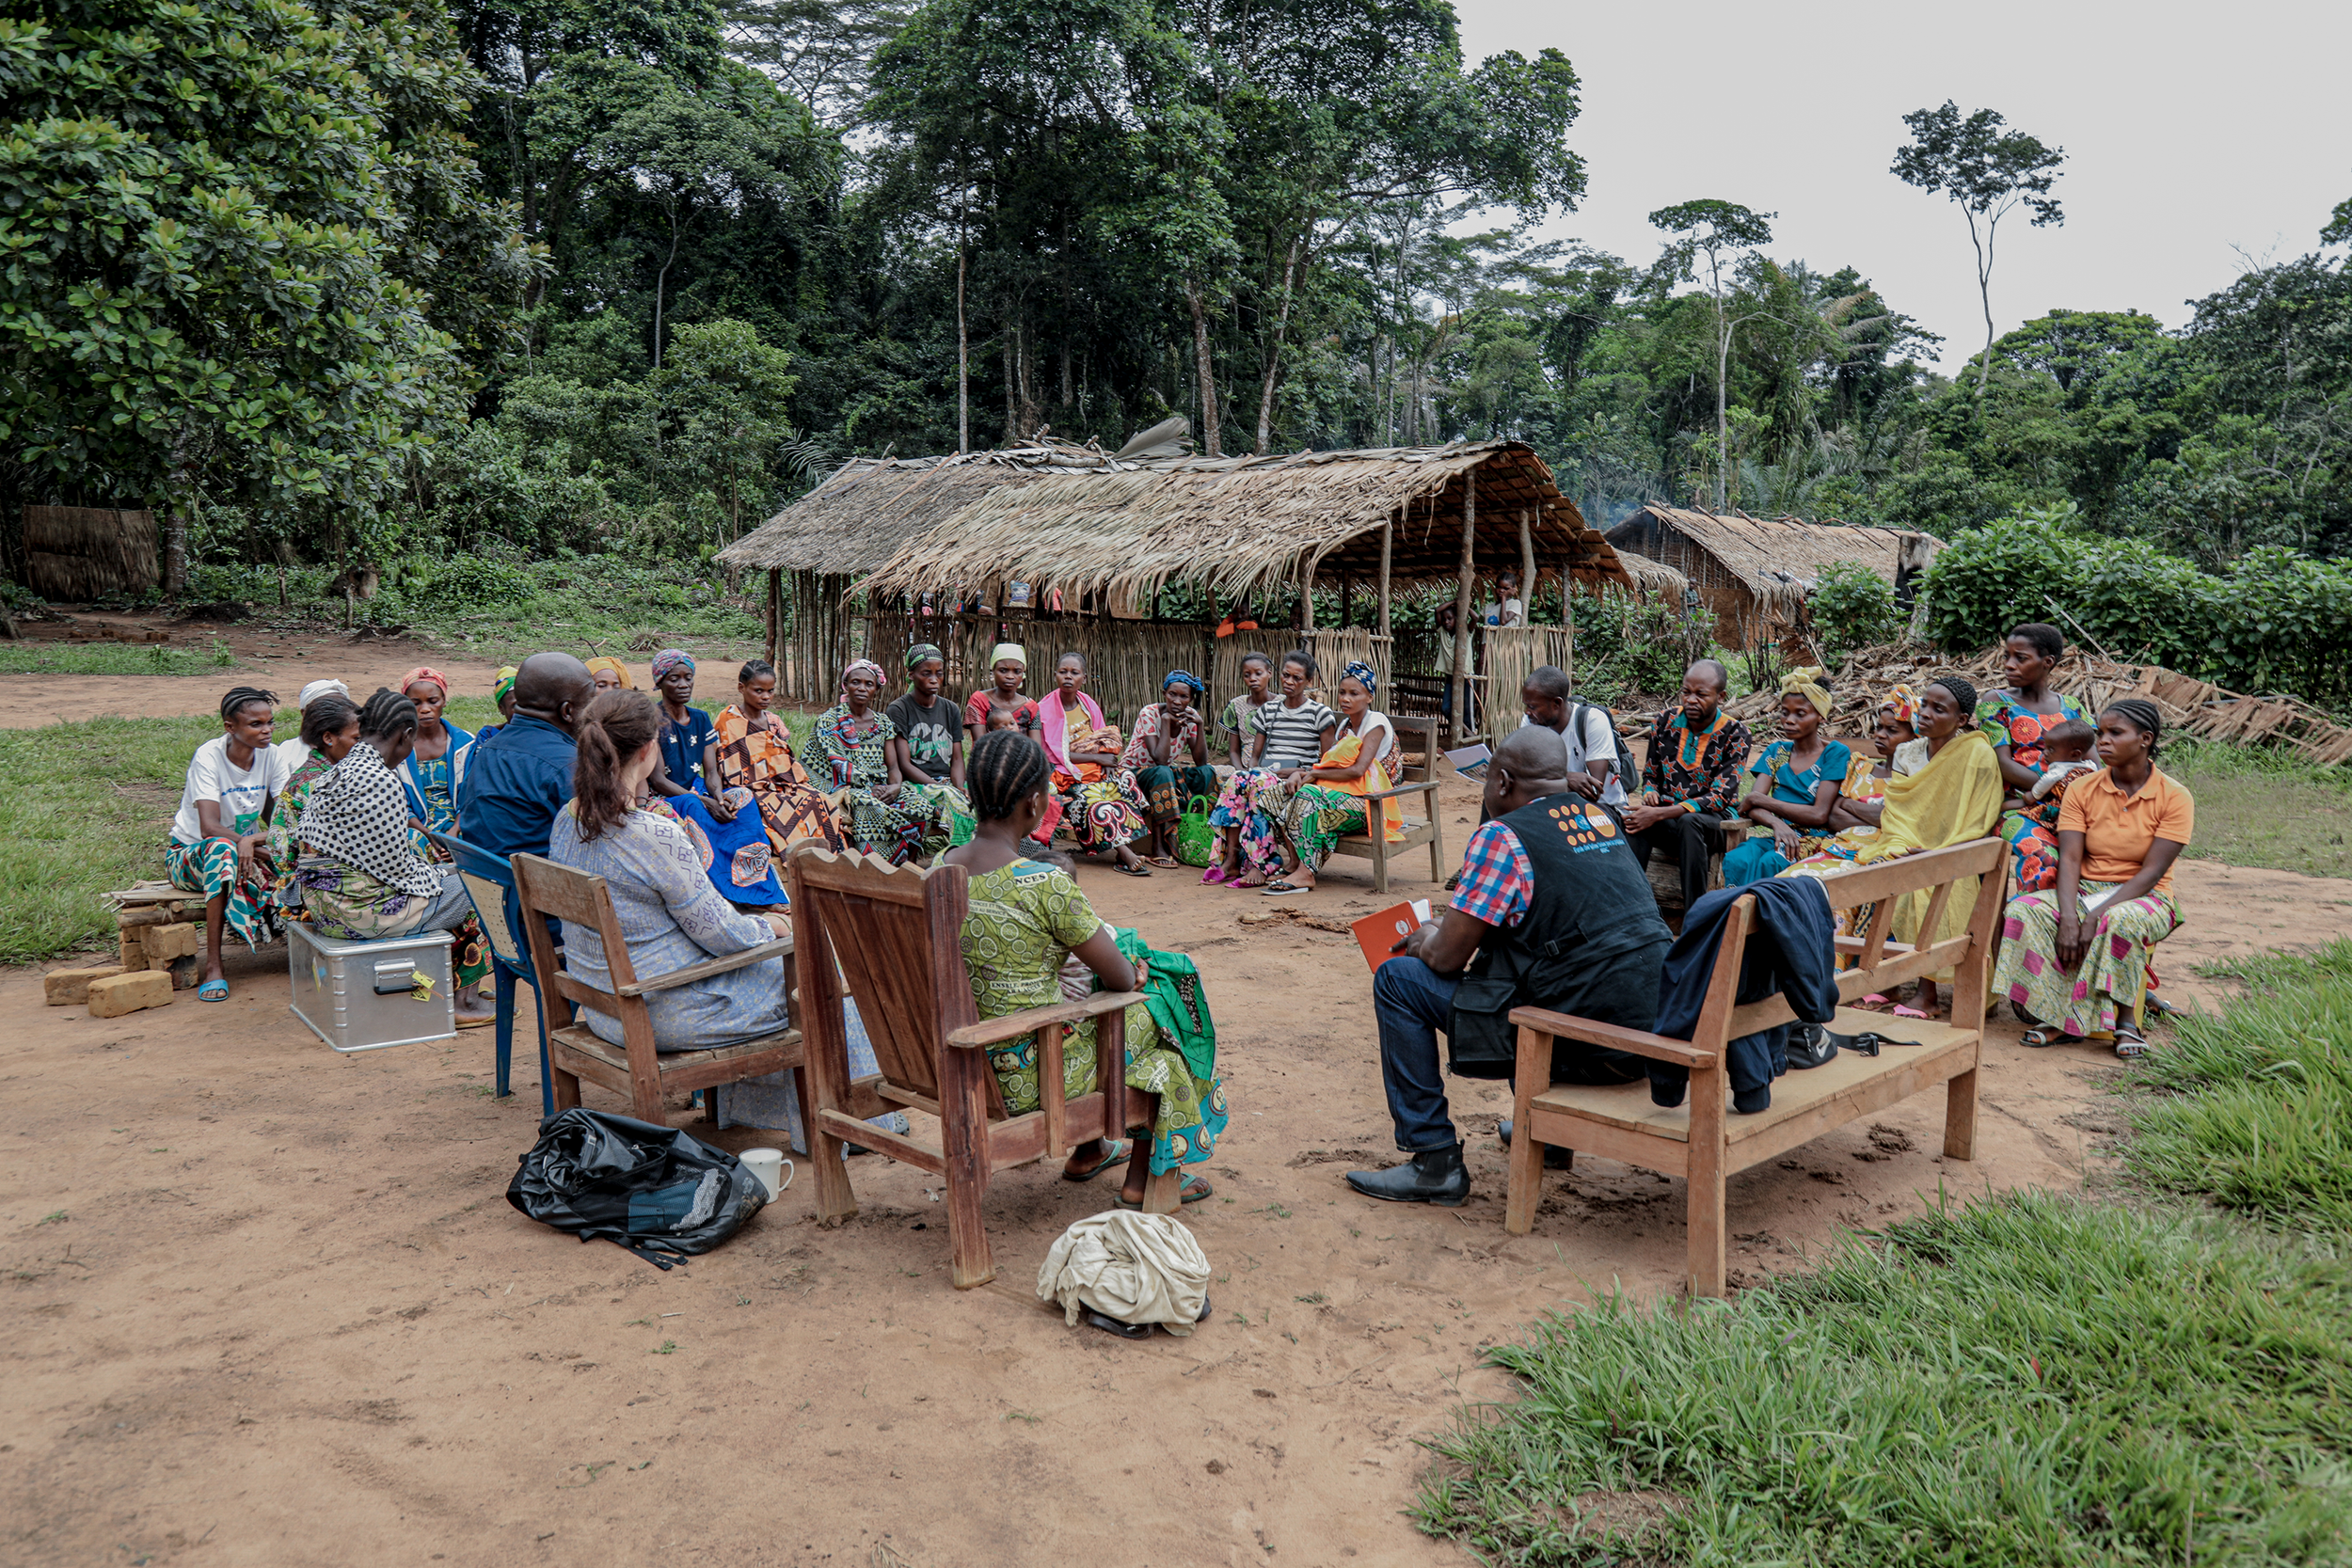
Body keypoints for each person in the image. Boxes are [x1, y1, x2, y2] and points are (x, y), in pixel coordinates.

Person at [1345, 727, 1670, 1205]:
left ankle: (1433, 1160)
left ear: (1500, 782)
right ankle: (1550, 1137)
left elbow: (1446, 958)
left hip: (1580, 1045)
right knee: (1556, 968)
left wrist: (1425, 939)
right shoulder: (1600, 819)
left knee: (1398, 980)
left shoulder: (1502, 836)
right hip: (1653, 1032)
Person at [944, 731, 1224, 1205]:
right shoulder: (1043, 883)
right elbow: (1117, 977)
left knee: (1110, 1005)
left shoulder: (941, 868)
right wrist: (1133, 972)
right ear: (1035, 804)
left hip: (961, 1060)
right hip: (1032, 1072)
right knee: (1159, 1012)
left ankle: (1091, 1149)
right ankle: (1147, 1181)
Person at [1993, 700, 2191, 1057]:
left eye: (2115, 733)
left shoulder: (2174, 797)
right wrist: (2070, 915)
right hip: (2086, 889)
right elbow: (2069, 858)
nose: (2102, 741)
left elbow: (2152, 872)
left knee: (2119, 919)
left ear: (2145, 739)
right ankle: (2058, 1014)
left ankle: (2126, 1021)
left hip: (2146, 896)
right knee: (2024, 909)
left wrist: (2094, 915)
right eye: (2100, 733)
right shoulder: (2081, 789)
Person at [294, 689, 495, 1025]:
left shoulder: (339, 770)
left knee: (450, 878)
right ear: (407, 736)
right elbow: (398, 876)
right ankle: (464, 1002)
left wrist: (440, 871)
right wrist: (446, 873)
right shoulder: (381, 780)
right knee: (478, 888)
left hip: (324, 905)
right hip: (359, 913)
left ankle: (440, 986)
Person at [1848, 674, 2003, 1019]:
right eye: (1925, 705)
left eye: (1939, 709)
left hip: (1955, 847)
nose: (1926, 714)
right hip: (1905, 839)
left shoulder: (1978, 754)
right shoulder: (1907, 751)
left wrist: (1939, 852)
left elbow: (1979, 819)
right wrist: (1903, 844)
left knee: (1922, 880)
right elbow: (1900, 810)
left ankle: (1926, 992)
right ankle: (1886, 981)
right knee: (1884, 868)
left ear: (1961, 720)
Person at [167, 686, 289, 999]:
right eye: (256, 724)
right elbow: (210, 828)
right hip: (189, 857)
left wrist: (257, 843)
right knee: (222, 849)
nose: (267, 731)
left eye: (270, 722)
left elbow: (282, 822)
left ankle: (307, 947)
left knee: (303, 853)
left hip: (246, 851)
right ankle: (214, 967)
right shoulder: (209, 757)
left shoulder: (272, 755)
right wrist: (254, 845)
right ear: (229, 727)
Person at [639, 648, 784, 908]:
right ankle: (726, 893)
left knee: (742, 797)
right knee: (695, 807)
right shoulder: (653, 720)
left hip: (697, 790)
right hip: (665, 796)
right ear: (659, 682)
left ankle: (759, 890)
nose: (683, 685)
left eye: (688, 677)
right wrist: (706, 802)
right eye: (674, 679)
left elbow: (711, 772)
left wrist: (718, 796)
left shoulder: (700, 718)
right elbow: (658, 779)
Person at [1266, 661, 1402, 896]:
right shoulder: (1344, 727)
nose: (1345, 699)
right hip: (1340, 796)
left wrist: (1314, 774)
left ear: (1369, 697)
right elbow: (1327, 763)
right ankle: (1294, 862)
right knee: (1277, 793)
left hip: (1370, 803)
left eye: (1354, 693)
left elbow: (1358, 771)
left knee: (1308, 794)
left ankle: (1306, 872)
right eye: (1342, 692)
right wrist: (1300, 773)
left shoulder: (1376, 723)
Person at [1626, 659, 1750, 911]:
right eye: (1686, 692)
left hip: (1715, 824)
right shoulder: (1663, 722)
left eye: (1701, 694)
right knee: (1635, 821)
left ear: (1721, 696)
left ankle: (1696, 914)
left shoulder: (1736, 733)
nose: (1691, 699)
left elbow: (1720, 797)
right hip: (1671, 821)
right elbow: (1651, 774)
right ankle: (1632, 907)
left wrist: (1661, 812)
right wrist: (1650, 792)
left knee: (1689, 821)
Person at [805, 658, 957, 864]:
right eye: (855, 682)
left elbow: (893, 766)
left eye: (869, 684)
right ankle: (874, 867)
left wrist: (895, 787)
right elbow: (837, 763)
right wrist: (870, 789)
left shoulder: (883, 723)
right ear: (845, 685)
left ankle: (907, 865)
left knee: (920, 806)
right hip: (847, 790)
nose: (861, 688)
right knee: (868, 806)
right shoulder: (830, 720)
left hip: (883, 788)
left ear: (876, 688)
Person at [1210, 649, 1335, 887]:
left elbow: (1326, 762)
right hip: (1267, 775)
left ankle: (1262, 865)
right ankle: (1233, 858)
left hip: (1301, 778)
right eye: (1286, 675)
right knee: (1238, 780)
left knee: (1256, 784)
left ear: (1309, 681)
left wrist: (1299, 773)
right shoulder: (1268, 711)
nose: (1289, 682)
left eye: (1297, 678)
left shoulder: (1320, 713)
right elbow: (1255, 758)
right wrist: (1256, 772)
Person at [1979, 624, 2089, 893]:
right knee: (2044, 858)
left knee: (2103, 855)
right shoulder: (1996, 702)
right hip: (2018, 808)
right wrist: (2055, 789)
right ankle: (2028, 924)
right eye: (2007, 656)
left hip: (2070, 807)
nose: (2009, 665)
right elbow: (2003, 764)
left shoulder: (2072, 707)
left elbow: (2095, 763)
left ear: (2047, 662)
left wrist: (2074, 799)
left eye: (2021, 658)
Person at [455, 652, 595, 861]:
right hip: (539, 885)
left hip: (486, 882)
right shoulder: (569, 764)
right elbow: (598, 841)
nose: (594, 712)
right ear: (567, 711)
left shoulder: (487, 750)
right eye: (590, 703)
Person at [1719, 668, 1851, 886]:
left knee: (1773, 861)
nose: (1789, 720)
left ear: (1820, 716)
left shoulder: (1834, 753)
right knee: (1738, 858)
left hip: (1815, 840)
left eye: (1800, 714)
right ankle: (1735, 916)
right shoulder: (1777, 751)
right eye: (1784, 712)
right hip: (1778, 835)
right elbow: (1751, 807)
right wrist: (1777, 824)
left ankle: (1757, 916)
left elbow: (1819, 814)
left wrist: (1760, 800)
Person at [713, 657, 842, 858]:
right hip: (749, 786)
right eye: (758, 691)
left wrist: (785, 780)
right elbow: (726, 764)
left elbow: (785, 760)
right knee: (777, 808)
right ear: (741, 687)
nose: (766, 697)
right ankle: (798, 857)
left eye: (770, 691)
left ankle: (826, 860)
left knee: (820, 801)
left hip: (782, 782)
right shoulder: (728, 719)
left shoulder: (774, 721)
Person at [1037, 651, 1152, 876]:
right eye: (1063, 672)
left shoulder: (1088, 704)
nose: (1068, 677)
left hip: (1093, 767)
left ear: (1084, 678)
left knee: (1126, 779)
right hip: (1064, 774)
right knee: (1095, 800)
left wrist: (1107, 759)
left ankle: (1124, 849)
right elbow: (1053, 754)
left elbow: (1102, 738)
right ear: (1055, 675)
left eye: (1074, 672)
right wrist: (1098, 757)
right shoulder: (1044, 710)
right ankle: (1126, 854)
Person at [266, 692, 361, 904]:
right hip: (312, 881)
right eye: (357, 739)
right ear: (328, 738)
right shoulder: (320, 785)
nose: (363, 746)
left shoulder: (321, 772)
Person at [885, 642, 976, 849]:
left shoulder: (950, 708)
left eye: (939, 673)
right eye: (926, 673)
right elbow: (904, 764)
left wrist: (960, 785)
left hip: (948, 782)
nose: (934, 679)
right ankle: (959, 854)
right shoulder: (899, 709)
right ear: (911, 675)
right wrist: (942, 787)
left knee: (986, 793)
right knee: (955, 800)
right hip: (917, 784)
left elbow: (957, 758)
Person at [1125, 669, 1218, 868]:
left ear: (1191, 699)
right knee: (1164, 771)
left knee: (1207, 773)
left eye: (1183, 696)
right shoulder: (1149, 713)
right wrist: (1166, 722)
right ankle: (1158, 847)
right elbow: (1159, 758)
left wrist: (1199, 726)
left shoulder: (1191, 717)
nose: (1177, 701)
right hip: (1133, 774)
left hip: (1163, 773)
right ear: (1164, 693)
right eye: (1172, 694)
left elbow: (1201, 762)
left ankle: (1206, 835)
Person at [1518, 664, 1624, 808]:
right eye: (1526, 705)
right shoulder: (1531, 722)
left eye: (1532, 706)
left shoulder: (1592, 720)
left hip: (1602, 808)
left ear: (1556, 703)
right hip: (1556, 804)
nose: (1526, 712)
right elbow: (1523, 773)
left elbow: (1593, 790)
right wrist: (1567, 778)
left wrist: (1542, 781)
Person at [396, 667, 471, 847]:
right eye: (416, 703)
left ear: (444, 701)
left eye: (433, 701)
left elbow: (472, 796)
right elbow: (396, 802)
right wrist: (428, 834)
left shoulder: (465, 744)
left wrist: (454, 832)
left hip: (459, 824)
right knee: (409, 842)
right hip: (416, 827)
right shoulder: (396, 749)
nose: (425, 709)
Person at [274, 678, 351, 773]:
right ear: (304, 714)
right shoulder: (287, 752)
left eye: (340, 709)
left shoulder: (355, 748)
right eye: (325, 710)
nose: (334, 715)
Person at [964, 643, 1040, 737]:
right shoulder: (979, 700)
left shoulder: (1031, 706)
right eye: (1003, 670)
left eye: (1017, 671)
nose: (1010, 676)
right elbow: (980, 743)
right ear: (993, 671)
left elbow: (1035, 748)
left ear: (1023, 674)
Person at [471, 666, 519, 747]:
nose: (523, 709)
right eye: (515, 706)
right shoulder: (489, 736)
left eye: (527, 703)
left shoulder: (544, 731)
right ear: (501, 709)